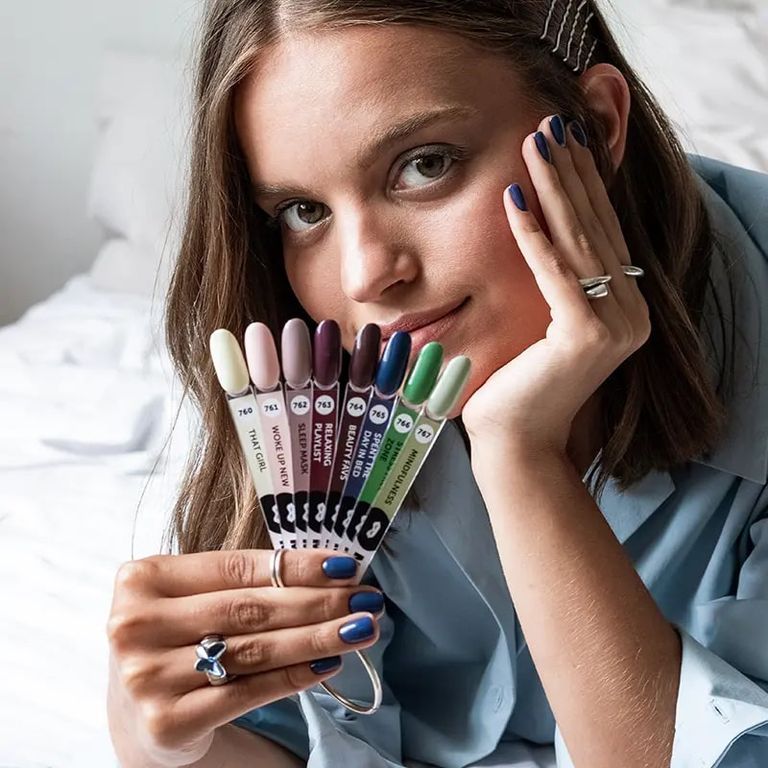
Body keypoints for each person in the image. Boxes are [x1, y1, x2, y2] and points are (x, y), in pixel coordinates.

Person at [106, 1, 768, 766]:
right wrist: (158, 738)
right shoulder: (301, 365)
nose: (365, 276)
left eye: (425, 165)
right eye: (303, 211)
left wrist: (519, 454)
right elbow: (287, 735)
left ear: (595, 124)